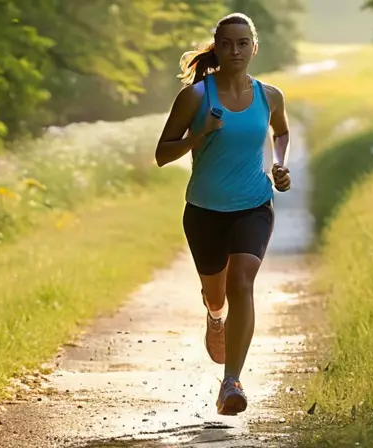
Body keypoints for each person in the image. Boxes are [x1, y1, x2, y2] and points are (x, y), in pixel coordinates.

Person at [154, 12, 291, 416]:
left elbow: (280, 132)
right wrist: (199, 135)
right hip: (204, 212)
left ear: (254, 47)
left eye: (243, 43)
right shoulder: (196, 97)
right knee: (217, 295)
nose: (235, 50)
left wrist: (280, 165)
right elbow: (162, 154)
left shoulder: (270, 96)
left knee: (242, 282)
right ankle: (214, 317)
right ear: (217, 47)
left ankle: (231, 382)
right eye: (227, 43)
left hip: (254, 205)